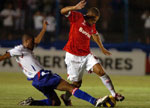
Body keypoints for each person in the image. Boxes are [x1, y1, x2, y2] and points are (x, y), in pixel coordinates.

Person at [0, 21, 109, 107]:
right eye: (32, 42)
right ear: (27, 41)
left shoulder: (26, 49)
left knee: (55, 102)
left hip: (36, 82)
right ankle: (95, 101)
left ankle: (32, 103)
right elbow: (4, 56)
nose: (35, 44)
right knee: (70, 87)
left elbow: (37, 40)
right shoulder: (19, 49)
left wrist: (43, 29)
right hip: (42, 76)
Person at [60, 0, 124, 106]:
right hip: (73, 56)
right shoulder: (77, 17)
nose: (95, 22)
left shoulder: (92, 25)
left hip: (86, 55)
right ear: (89, 16)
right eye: (94, 20)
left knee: (101, 71)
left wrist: (102, 48)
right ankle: (65, 97)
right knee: (76, 84)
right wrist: (74, 7)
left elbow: (95, 34)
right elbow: (62, 11)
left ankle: (114, 94)